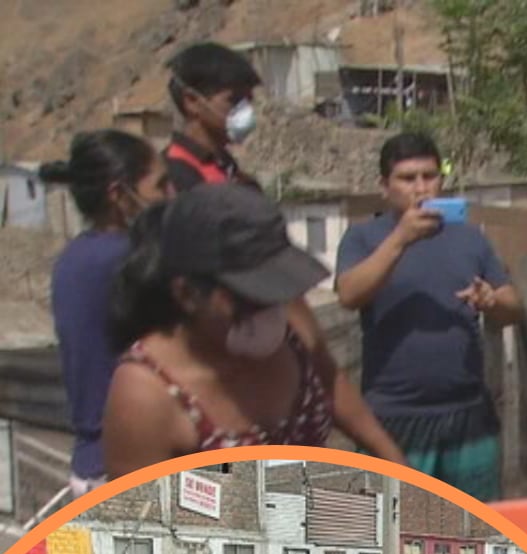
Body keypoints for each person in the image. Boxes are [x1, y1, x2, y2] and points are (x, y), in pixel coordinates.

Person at [101, 183, 406, 475]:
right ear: (187, 295)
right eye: (251, 300)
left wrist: (396, 467)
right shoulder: (145, 397)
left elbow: (328, 379)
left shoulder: (286, 308)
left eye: (276, 291)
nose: (270, 314)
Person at [335, 133, 523, 499]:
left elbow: (513, 305)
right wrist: (401, 239)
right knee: (395, 533)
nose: (421, 187)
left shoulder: (470, 238)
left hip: (467, 415)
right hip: (393, 419)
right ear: (384, 187)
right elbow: (349, 294)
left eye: (429, 176)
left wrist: (490, 299)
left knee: (478, 527)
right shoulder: (364, 238)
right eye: (407, 178)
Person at [39, 132, 176, 494]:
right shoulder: (128, 261)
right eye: (160, 185)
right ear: (118, 195)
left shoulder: (73, 258)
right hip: (128, 466)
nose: (169, 196)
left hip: (91, 463)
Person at [163, 43, 262, 193]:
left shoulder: (232, 172)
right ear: (192, 101)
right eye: (234, 100)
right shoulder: (173, 178)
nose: (245, 110)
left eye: (248, 101)